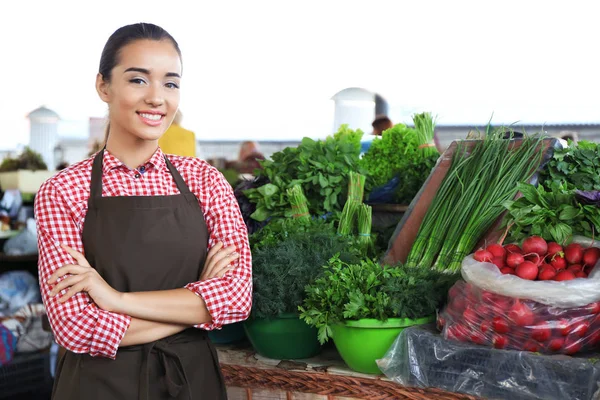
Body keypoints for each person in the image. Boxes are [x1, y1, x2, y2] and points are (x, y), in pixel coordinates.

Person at [34, 22, 251, 399]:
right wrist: (198, 305)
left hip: (191, 383)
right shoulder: (63, 191)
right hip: (98, 386)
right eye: (138, 80)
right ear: (103, 86)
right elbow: (76, 327)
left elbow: (236, 300)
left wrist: (115, 300)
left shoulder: (207, 182)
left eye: (170, 83)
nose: (157, 98)